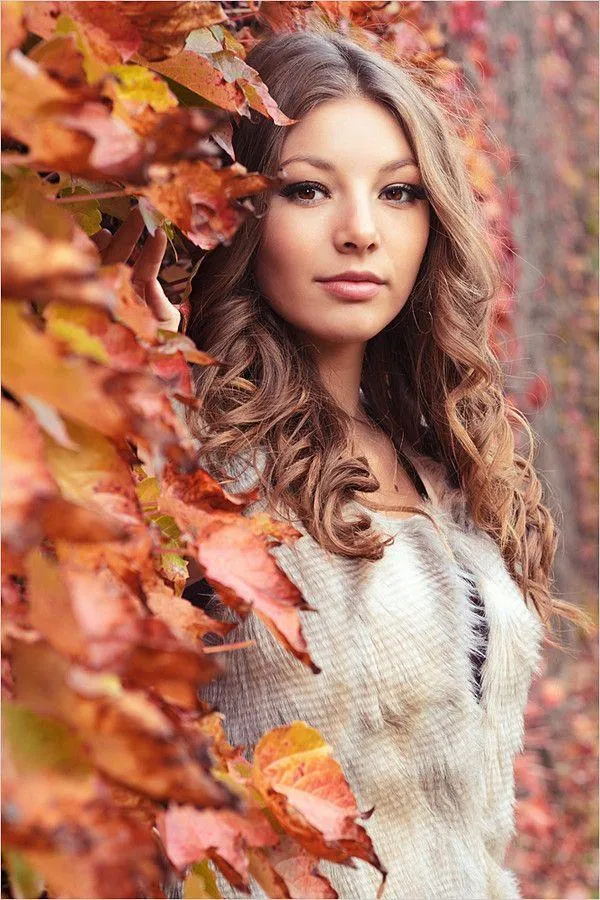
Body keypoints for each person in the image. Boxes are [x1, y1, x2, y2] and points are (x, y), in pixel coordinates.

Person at [94, 27, 581, 900]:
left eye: (398, 193)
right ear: (237, 212)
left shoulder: (446, 469)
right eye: (308, 189)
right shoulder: (194, 462)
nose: (362, 232)